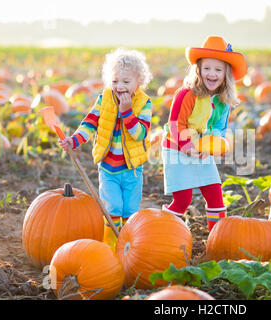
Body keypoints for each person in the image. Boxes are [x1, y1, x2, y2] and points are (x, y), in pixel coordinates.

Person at [58, 48, 153, 249]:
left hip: (132, 170)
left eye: (126, 82)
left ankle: (128, 246)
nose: (119, 87)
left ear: (139, 83)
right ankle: (110, 246)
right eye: (115, 81)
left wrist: (127, 113)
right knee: (113, 207)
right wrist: (74, 140)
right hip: (108, 168)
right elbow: (90, 123)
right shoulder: (105, 99)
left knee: (130, 210)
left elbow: (140, 134)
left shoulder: (144, 104)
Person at [161, 35, 247, 231]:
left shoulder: (223, 101)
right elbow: (176, 124)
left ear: (226, 75)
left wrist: (214, 146)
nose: (212, 74)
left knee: (215, 192)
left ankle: (217, 236)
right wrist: (188, 147)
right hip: (176, 147)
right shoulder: (186, 94)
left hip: (201, 148)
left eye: (218, 70)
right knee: (183, 199)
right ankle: (163, 229)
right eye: (207, 68)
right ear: (198, 70)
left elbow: (219, 128)